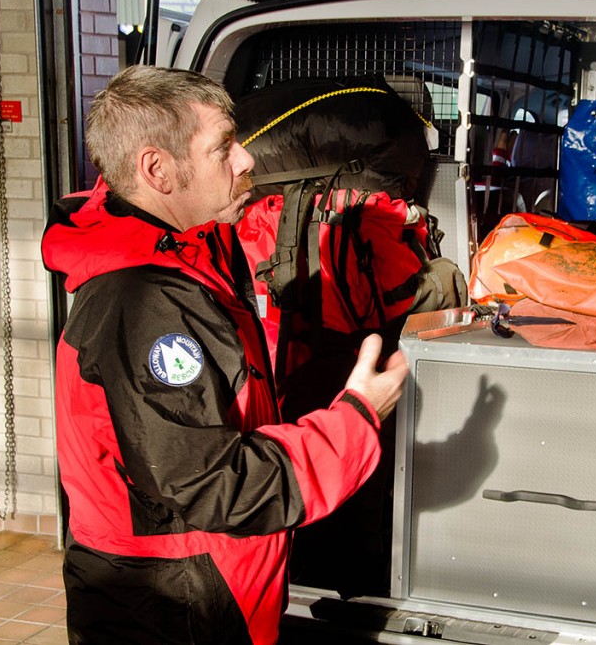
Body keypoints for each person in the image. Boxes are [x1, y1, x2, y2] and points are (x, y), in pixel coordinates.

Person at [41, 64, 408, 645]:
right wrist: (357, 418)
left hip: (214, 583)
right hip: (173, 605)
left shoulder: (191, 248)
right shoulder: (140, 305)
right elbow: (216, 485)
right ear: (157, 170)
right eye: (222, 148)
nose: (246, 160)